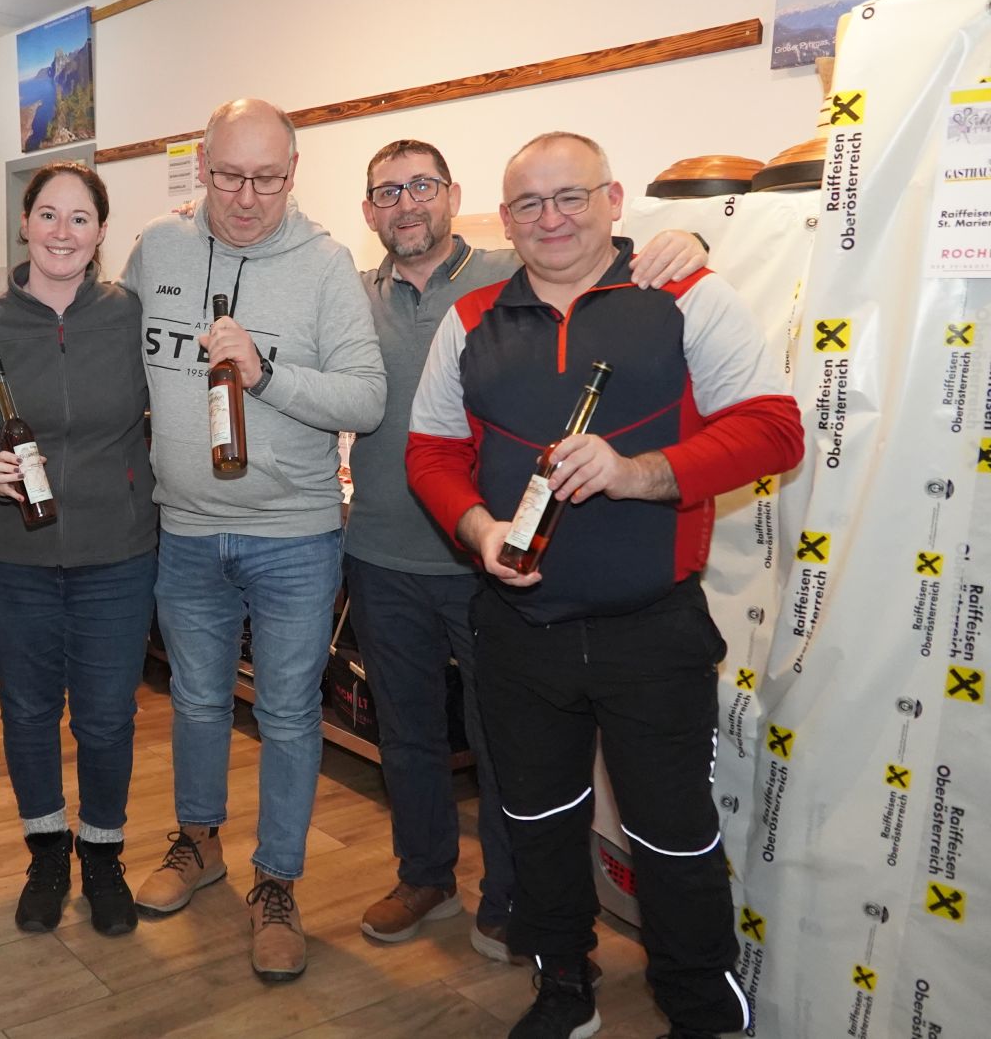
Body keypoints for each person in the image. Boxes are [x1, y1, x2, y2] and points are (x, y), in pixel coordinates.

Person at [407, 132, 803, 1039]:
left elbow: (774, 428)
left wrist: (637, 473)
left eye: (571, 197)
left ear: (614, 200)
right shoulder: (469, 318)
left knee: (672, 831)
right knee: (538, 820)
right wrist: (478, 528)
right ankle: (563, 984)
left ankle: (702, 1007)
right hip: (518, 628)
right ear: (505, 219)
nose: (551, 219)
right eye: (529, 204)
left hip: (651, 630)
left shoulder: (683, 294)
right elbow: (431, 451)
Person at [347, 140, 705, 960]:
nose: (407, 204)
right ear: (369, 211)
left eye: (423, 185)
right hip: (382, 549)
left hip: (501, 569)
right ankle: (425, 875)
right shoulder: (351, 294)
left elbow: (603, 255)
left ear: (456, 197)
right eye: (388, 192)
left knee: (507, 747)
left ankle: (512, 899)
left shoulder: (512, 270)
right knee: (407, 733)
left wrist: (692, 241)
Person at [122, 98, 386, 982]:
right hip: (185, 529)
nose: (245, 197)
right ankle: (199, 843)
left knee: (286, 714)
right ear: (202, 166)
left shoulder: (325, 264)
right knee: (196, 700)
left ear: (293, 173)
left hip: (293, 534)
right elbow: (116, 361)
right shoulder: (159, 248)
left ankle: (277, 881)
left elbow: (366, 398)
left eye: (267, 179)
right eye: (229, 175)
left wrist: (266, 374)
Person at [0, 161, 155, 938]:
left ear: (101, 232)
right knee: (28, 709)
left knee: (107, 715)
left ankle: (102, 853)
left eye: (80, 218)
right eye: (49, 215)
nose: (63, 232)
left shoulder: (129, 316)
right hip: (13, 558)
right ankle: (46, 852)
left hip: (118, 552)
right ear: (25, 223)